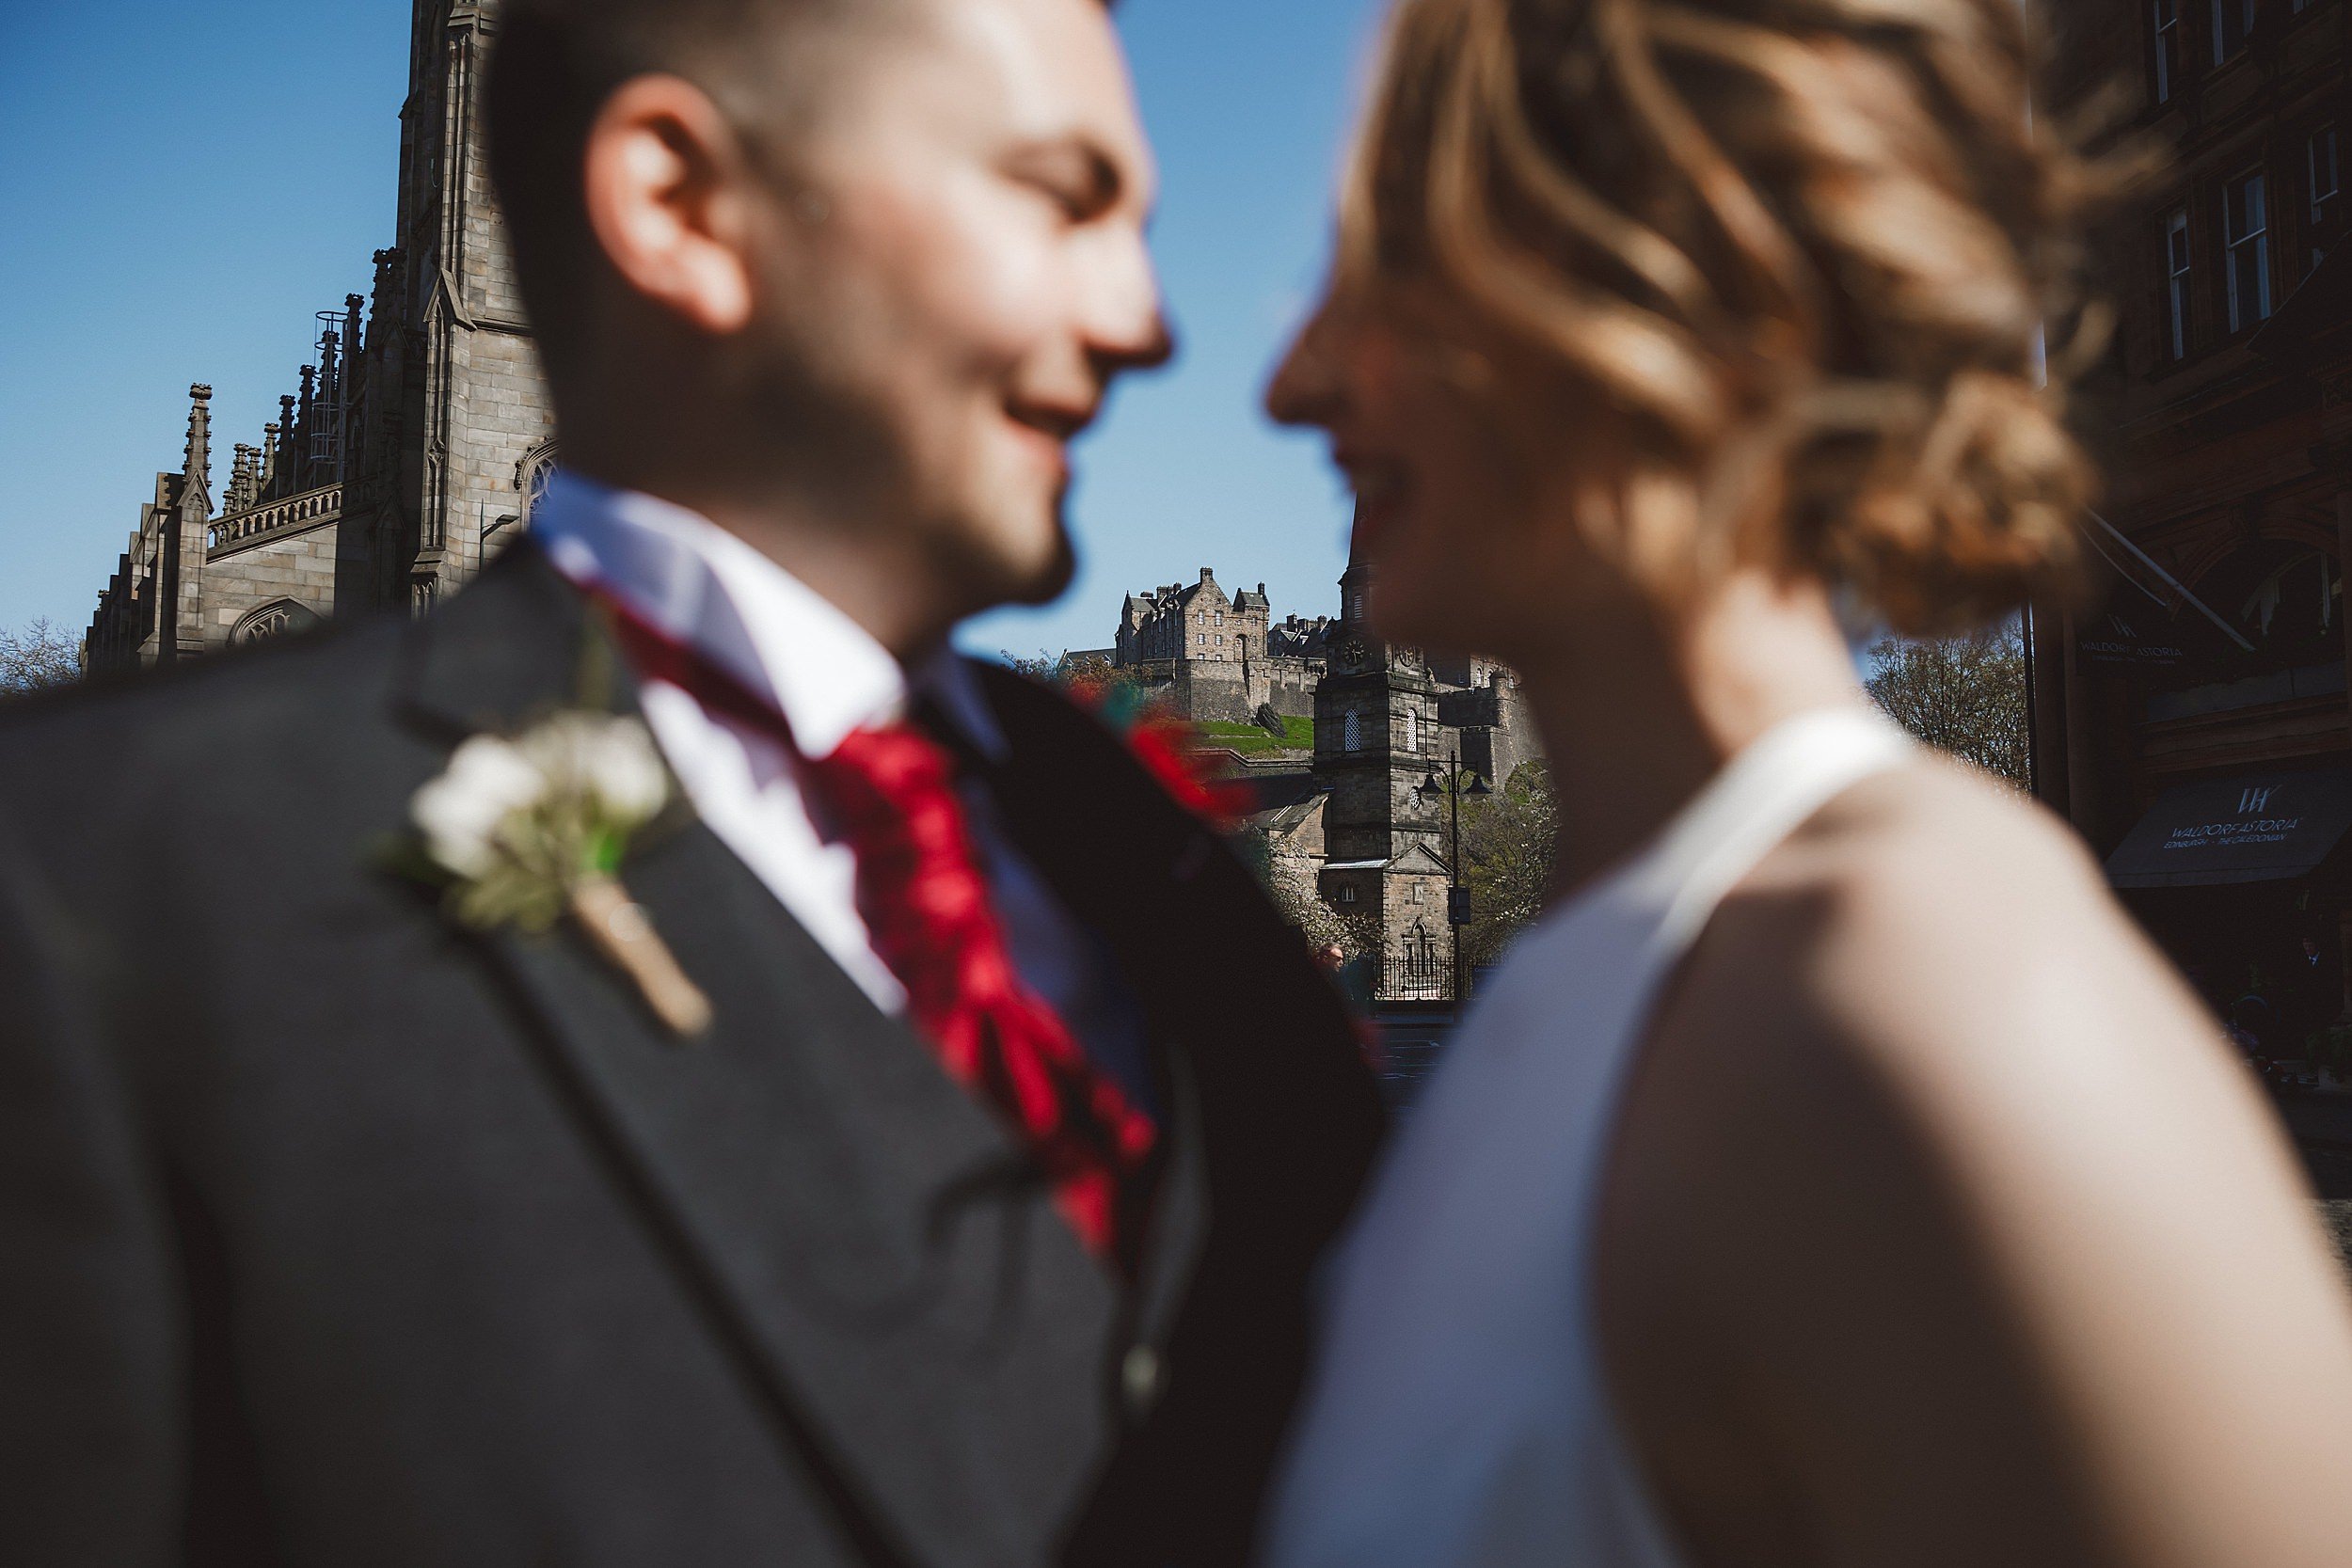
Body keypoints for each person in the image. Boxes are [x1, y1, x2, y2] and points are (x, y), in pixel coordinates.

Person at [0, 1, 1382, 1562]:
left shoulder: (1156, 858)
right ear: (677, 202)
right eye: (1051, 198)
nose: (1147, 321)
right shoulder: (105, 886)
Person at [1258, 0, 2352, 1563]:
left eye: (1399, 270)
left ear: (1697, 294)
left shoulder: (1920, 986)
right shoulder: (1589, 976)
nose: (1295, 381)